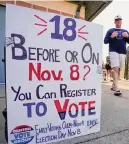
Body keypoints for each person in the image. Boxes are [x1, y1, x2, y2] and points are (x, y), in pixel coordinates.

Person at [104, 15, 129, 96]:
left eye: (119, 20)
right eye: (117, 20)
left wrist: (127, 36)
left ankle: (113, 85)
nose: (118, 21)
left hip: (122, 52)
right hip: (113, 51)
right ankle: (117, 89)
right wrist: (111, 37)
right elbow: (105, 41)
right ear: (114, 22)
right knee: (115, 68)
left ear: (121, 21)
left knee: (119, 69)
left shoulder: (125, 31)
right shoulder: (110, 30)